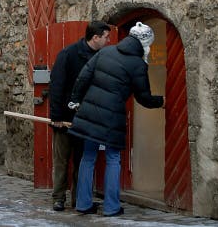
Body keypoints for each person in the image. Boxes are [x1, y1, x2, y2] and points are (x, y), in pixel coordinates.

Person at [68, 22, 164, 217]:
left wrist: (75, 100)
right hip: (112, 116)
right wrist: (160, 101)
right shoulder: (138, 64)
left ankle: (83, 204)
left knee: (88, 157)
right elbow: (143, 97)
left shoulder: (106, 52)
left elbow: (83, 76)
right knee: (113, 158)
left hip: (90, 112)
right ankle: (111, 207)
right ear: (145, 44)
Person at [48, 21, 111, 211]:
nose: (109, 41)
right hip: (65, 118)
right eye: (106, 37)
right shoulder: (68, 54)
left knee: (82, 161)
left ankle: (80, 199)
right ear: (96, 37)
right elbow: (57, 86)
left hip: (86, 119)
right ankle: (58, 197)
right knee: (61, 160)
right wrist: (56, 116)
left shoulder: (101, 57)